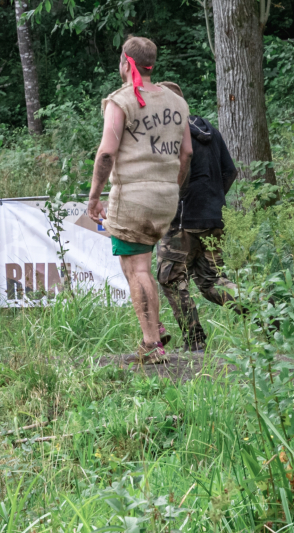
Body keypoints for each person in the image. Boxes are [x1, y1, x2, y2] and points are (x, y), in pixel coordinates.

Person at [87, 36, 192, 364]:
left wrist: (94, 197)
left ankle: (152, 344)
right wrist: (171, 187)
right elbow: (187, 153)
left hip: (133, 197)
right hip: (166, 196)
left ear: (126, 62)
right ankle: (154, 327)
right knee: (136, 264)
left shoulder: (121, 101)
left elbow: (106, 153)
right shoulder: (177, 101)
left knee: (137, 268)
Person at [157, 115, 239, 352]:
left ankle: (194, 340)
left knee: (170, 279)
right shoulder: (210, 129)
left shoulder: (170, 130)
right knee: (213, 281)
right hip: (213, 217)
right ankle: (264, 309)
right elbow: (230, 172)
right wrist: (211, 201)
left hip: (182, 220)